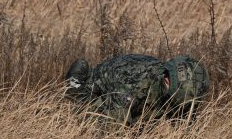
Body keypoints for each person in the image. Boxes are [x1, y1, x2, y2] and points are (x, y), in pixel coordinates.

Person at [65, 53, 210, 125]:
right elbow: (109, 132)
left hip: (133, 75)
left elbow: (188, 131)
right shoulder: (133, 87)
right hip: (101, 85)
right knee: (81, 111)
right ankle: (76, 83)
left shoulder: (179, 95)